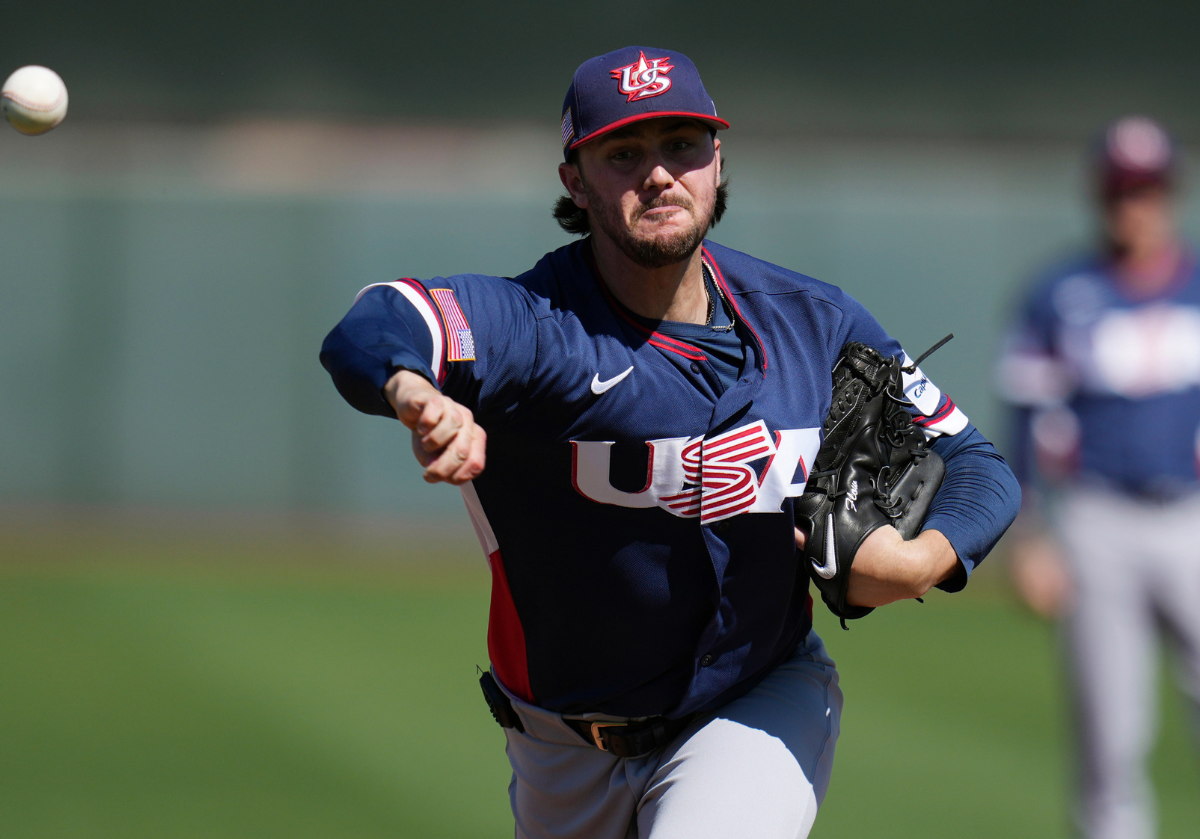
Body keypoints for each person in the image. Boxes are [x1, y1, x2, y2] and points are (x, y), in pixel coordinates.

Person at [321, 46, 1020, 839]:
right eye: (624, 153)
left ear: (717, 162)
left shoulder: (813, 325)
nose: (659, 174)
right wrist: (414, 389)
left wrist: (925, 559)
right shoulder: (536, 327)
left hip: (756, 700)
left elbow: (978, 465)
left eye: (683, 145)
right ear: (575, 182)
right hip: (558, 748)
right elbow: (378, 320)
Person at [1000, 116, 1200, 839]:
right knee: (1110, 737)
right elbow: (1026, 422)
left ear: (1170, 192)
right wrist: (1030, 535)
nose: (1133, 206)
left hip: (1194, 518)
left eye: (1146, 189)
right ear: (1099, 195)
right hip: (1098, 520)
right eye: (1120, 190)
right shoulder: (1061, 293)